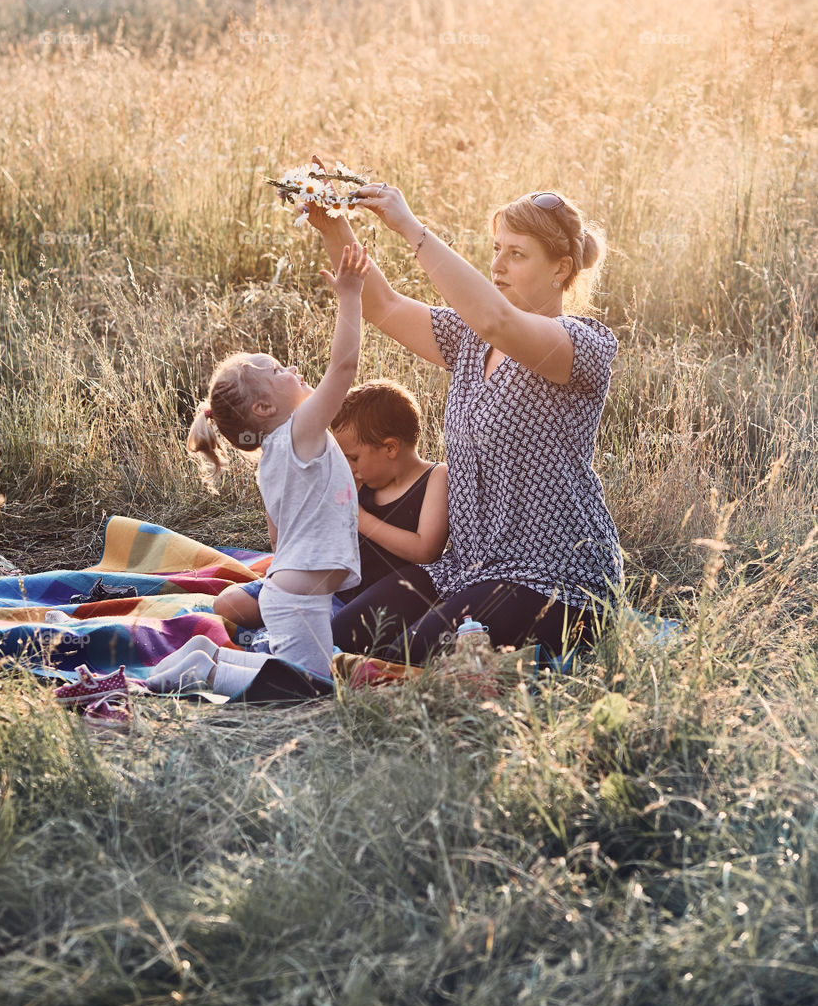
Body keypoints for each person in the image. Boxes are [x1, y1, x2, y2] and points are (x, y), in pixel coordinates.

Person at [307, 175, 622, 665]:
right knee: (337, 640)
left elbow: (499, 319)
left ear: (562, 269)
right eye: (496, 249)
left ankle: (524, 665)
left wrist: (411, 228)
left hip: (554, 576)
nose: (497, 266)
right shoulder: (471, 338)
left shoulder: (582, 346)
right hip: (467, 566)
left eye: (516, 254)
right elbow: (383, 305)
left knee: (403, 659)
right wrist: (332, 225)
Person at [147, 243, 370, 694]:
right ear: (266, 406)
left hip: (291, 589)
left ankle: (207, 656)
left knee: (306, 677)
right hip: (299, 596)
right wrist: (351, 295)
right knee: (307, 690)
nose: (292, 368)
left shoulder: (274, 457)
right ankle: (205, 672)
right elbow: (344, 367)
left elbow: (275, 537)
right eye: (278, 370)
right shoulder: (300, 432)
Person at [329, 380, 449, 654]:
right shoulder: (361, 483)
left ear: (391, 448)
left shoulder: (436, 477)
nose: (349, 467)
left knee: (334, 640)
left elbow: (426, 550)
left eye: (354, 458)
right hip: (342, 592)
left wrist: (359, 518)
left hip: (395, 598)